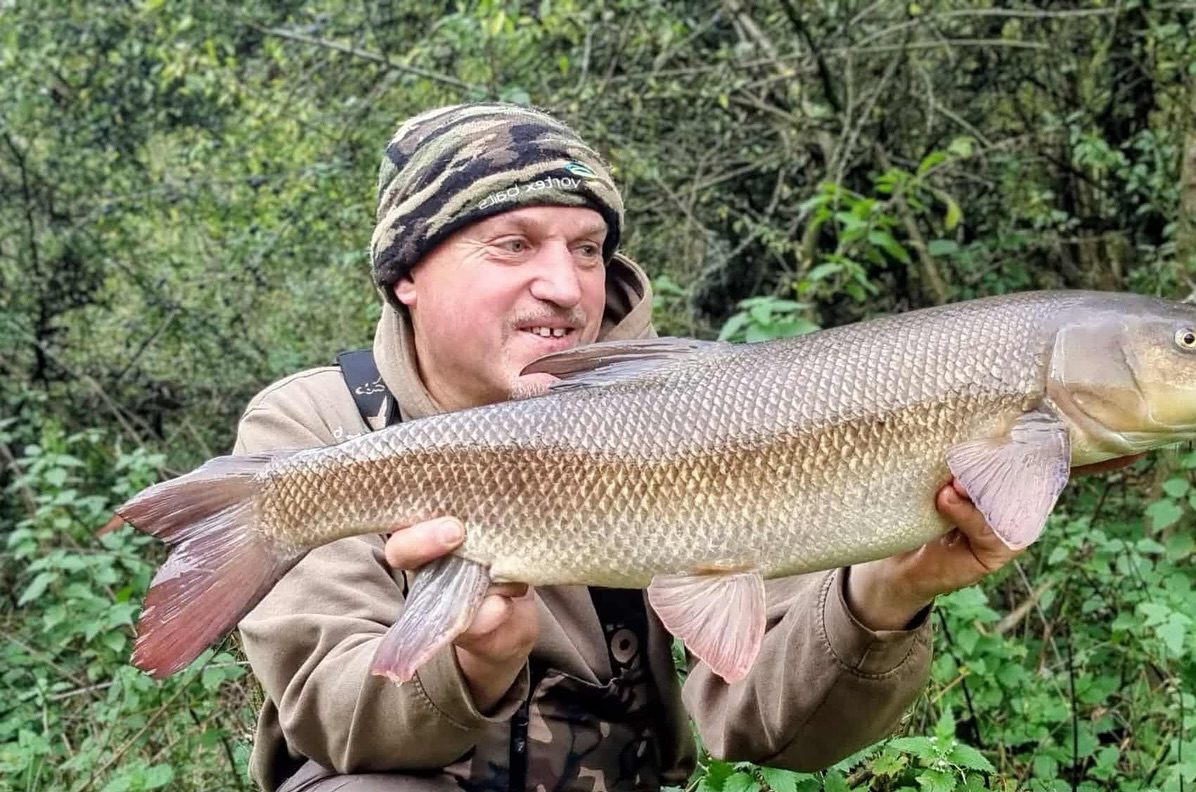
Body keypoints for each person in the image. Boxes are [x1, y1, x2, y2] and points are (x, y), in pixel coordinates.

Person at [231, 103, 1104, 792]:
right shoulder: (319, 428)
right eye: (513, 245)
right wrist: (469, 657)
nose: (564, 284)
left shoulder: (702, 409)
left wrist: (890, 591)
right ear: (406, 274)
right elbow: (330, 718)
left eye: (587, 248)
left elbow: (767, 729)